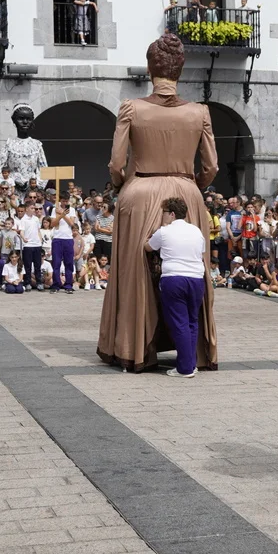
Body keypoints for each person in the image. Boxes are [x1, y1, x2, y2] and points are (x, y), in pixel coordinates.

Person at [97, 33, 220, 373]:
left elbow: (117, 163)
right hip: (187, 191)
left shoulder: (131, 108)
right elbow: (211, 166)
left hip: (140, 191)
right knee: (192, 267)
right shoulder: (200, 112)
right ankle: (192, 354)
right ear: (180, 69)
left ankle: (135, 349)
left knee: (135, 273)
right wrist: (193, 186)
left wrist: (122, 186)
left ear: (150, 68)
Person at [146, 197, 208, 378]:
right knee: (192, 322)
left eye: (164, 213)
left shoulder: (164, 231)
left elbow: (147, 247)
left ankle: (185, 368)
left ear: (172, 214)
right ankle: (191, 363)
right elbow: (201, 251)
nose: (162, 216)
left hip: (174, 278)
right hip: (196, 278)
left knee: (179, 323)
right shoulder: (196, 230)